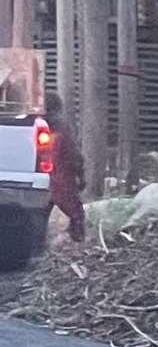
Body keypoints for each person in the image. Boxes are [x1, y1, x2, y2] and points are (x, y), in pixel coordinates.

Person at [44, 93, 84, 242]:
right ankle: (77, 239)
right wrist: (81, 174)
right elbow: (74, 155)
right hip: (61, 176)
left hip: (47, 176)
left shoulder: (38, 125)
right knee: (74, 212)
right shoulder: (62, 129)